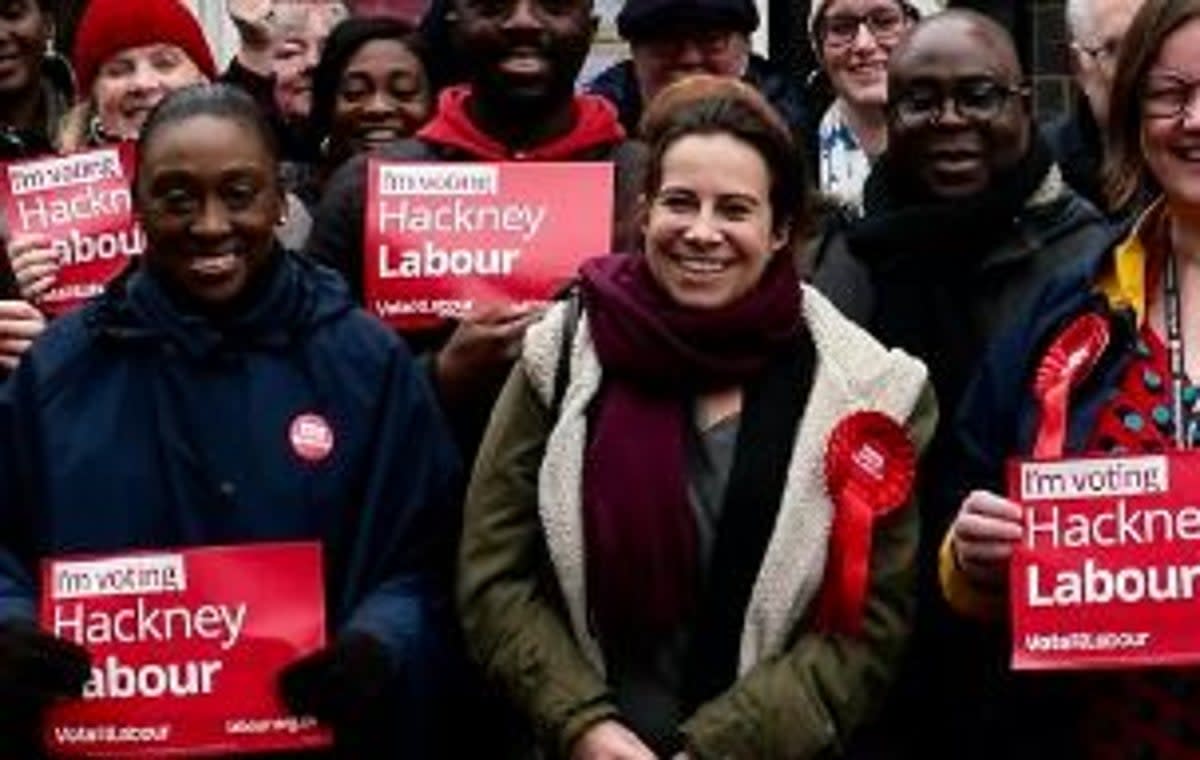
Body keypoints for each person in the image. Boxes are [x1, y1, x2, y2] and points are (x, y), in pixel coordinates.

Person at [457, 75, 936, 759]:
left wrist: (719, 749)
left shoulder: (871, 393)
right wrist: (583, 726)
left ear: (779, 232)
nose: (702, 232)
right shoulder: (561, 353)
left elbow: (863, 631)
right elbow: (493, 577)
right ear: (645, 211)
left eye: (735, 210)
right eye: (680, 202)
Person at [0, 84, 463, 756]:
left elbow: (428, 554)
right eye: (178, 198)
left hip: (322, 738)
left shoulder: (364, 361)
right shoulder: (59, 372)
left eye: (239, 193)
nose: (212, 225)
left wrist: (380, 641)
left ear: (280, 200)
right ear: (136, 205)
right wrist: (10, 628)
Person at [810, 9, 1111, 757]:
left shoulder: (1096, 266)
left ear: (1022, 100)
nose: (949, 121)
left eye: (977, 96)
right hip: (874, 654)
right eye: (921, 101)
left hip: (1041, 667)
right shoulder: (844, 263)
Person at [943, 0, 1200, 755]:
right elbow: (968, 480)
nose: (1194, 119)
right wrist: (972, 559)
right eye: (1169, 93)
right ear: (1130, 113)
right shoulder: (1065, 309)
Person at [305, 0, 644, 459]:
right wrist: (437, 377)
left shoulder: (647, 183)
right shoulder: (366, 186)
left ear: (591, 26)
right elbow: (309, 378)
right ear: (453, 23)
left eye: (553, 3)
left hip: (601, 496)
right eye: (494, 3)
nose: (523, 20)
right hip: (421, 501)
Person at [586, 0, 808, 137]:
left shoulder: (802, 137)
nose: (690, 58)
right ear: (634, 52)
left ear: (746, 46)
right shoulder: (593, 144)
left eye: (711, 40)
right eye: (666, 40)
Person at [807, 0, 940, 212]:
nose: (863, 44)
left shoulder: (968, 147)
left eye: (884, 22)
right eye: (841, 27)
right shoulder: (785, 154)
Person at [57, 0, 216, 150]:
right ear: (93, 99)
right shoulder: (56, 176)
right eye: (118, 71)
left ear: (203, 80)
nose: (144, 83)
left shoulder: (239, 166)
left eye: (164, 64)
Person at [308, 16, 433, 197]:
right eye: (355, 92)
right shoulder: (293, 202)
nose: (378, 108)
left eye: (402, 92)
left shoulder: (467, 202)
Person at [1045, 0, 1146, 215]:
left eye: (1157, 44)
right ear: (1078, 66)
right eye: (1121, 51)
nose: (1143, 67)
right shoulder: (1040, 171)